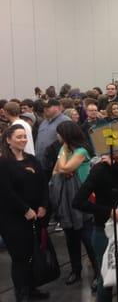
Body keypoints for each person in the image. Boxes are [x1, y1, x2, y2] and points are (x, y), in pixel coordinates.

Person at [72, 151, 118, 302]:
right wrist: (108, 212)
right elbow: (78, 201)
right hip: (104, 230)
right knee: (106, 279)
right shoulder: (99, 170)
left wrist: (116, 165)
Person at [0, 125, 50, 302]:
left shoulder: (32, 159)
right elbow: (6, 192)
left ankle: (32, 288)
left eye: (24, 137)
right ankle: (21, 293)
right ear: (8, 140)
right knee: (20, 257)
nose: (22, 140)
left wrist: (43, 204)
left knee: (32, 253)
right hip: (13, 218)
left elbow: (44, 183)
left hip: (36, 215)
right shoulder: (4, 162)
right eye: (18, 137)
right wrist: (25, 210)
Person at [52, 121, 98, 287]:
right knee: (71, 238)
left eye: (59, 134)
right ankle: (75, 270)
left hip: (83, 200)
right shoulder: (65, 150)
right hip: (67, 201)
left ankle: (98, 273)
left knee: (88, 240)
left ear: (66, 136)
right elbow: (56, 171)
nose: (57, 136)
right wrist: (64, 164)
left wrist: (64, 151)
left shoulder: (81, 151)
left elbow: (63, 168)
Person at [34, 99, 70, 169]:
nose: (45, 109)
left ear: (58, 107)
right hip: (41, 163)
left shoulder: (65, 121)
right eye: (44, 107)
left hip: (56, 164)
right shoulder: (44, 122)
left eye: (48, 107)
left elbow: (70, 143)